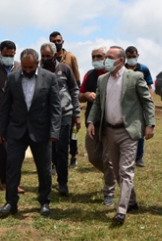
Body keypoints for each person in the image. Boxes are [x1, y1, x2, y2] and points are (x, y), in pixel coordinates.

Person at [86, 46, 155, 225]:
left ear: (121, 61)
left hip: (129, 131)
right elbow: (98, 104)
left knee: (126, 170)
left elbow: (147, 102)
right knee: (116, 171)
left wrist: (150, 124)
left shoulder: (135, 77)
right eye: (105, 57)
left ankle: (121, 210)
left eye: (110, 57)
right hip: (109, 131)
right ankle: (131, 201)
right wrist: (91, 122)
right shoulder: (102, 80)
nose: (105, 61)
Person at [0, 48, 61, 216]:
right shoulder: (13, 77)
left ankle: (44, 202)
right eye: (25, 67)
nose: (28, 71)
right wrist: (0, 129)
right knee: (13, 166)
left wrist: (54, 131)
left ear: (37, 63)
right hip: (17, 130)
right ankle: (11, 202)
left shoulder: (50, 78)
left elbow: (55, 107)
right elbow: (5, 106)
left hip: (41, 130)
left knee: (44, 169)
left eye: (31, 67)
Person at [0, 40, 25, 194]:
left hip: (18, 116)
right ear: (0, 53)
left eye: (11, 55)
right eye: (6, 55)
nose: (9, 57)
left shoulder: (20, 67)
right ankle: (5, 181)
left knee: (17, 150)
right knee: (3, 150)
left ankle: (15, 182)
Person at [40, 42, 80, 196]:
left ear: (55, 55)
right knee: (48, 150)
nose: (45, 59)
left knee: (62, 149)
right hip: (45, 116)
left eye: (48, 56)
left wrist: (76, 114)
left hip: (65, 114)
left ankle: (63, 183)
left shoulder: (64, 69)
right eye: (43, 56)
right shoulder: (38, 71)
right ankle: (47, 182)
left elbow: (74, 90)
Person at [79, 46, 116, 207]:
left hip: (111, 124)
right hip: (92, 123)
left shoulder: (114, 75)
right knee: (93, 157)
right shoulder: (90, 75)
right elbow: (79, 96)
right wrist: (86, 95)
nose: (96, 60)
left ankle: (109, 191)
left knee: (108, 160)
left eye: (99, 56)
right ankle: (113, 176)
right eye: (93, 57)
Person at [49, 31, 81, 169]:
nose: (56, 43)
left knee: (71, 134)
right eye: (53, 41)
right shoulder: (45, 59)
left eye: (58, 41)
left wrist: (75, 105)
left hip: (68, 102)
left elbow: (76, 82)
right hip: (52, 104)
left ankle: (73, 156)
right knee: (54, 134)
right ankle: (54, 162)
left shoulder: (71, 57)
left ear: (63, 41)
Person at [125, 46, 154, 168]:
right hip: (128, 103)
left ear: (138, 55)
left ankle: (139, 157)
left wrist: (150, 102)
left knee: (141, 131)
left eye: (134, 56)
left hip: (141, 103)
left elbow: (149, 86)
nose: (132, 59)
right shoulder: (122, 69)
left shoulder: (144, 69)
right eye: (129, 57)